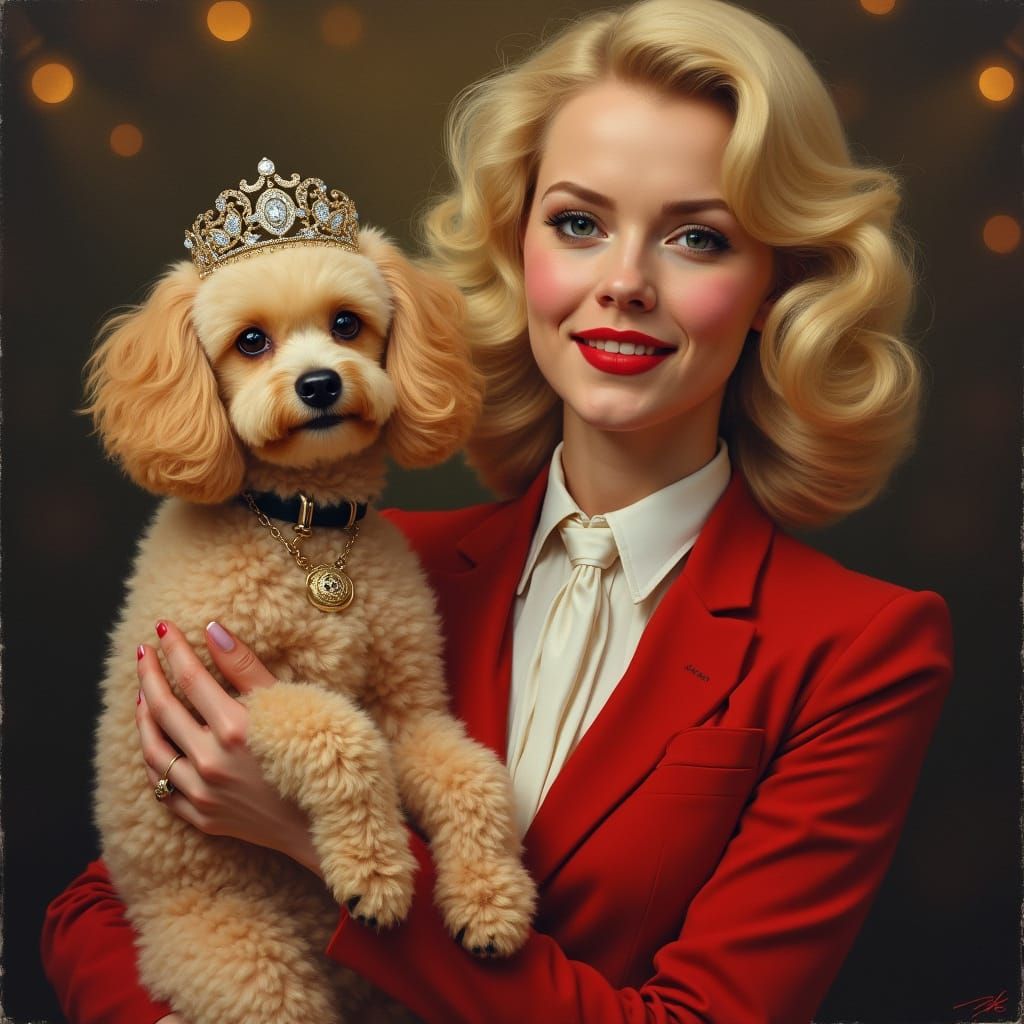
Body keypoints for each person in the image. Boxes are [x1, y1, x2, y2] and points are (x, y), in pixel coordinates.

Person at [41, 1, 953, 1022]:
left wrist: (310, 838)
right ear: (519, 249)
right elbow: (107, 900)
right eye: (578, 222)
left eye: (697, 237)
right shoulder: (367, 559)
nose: (623, 283)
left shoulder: (861, 647)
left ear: (780, 281)